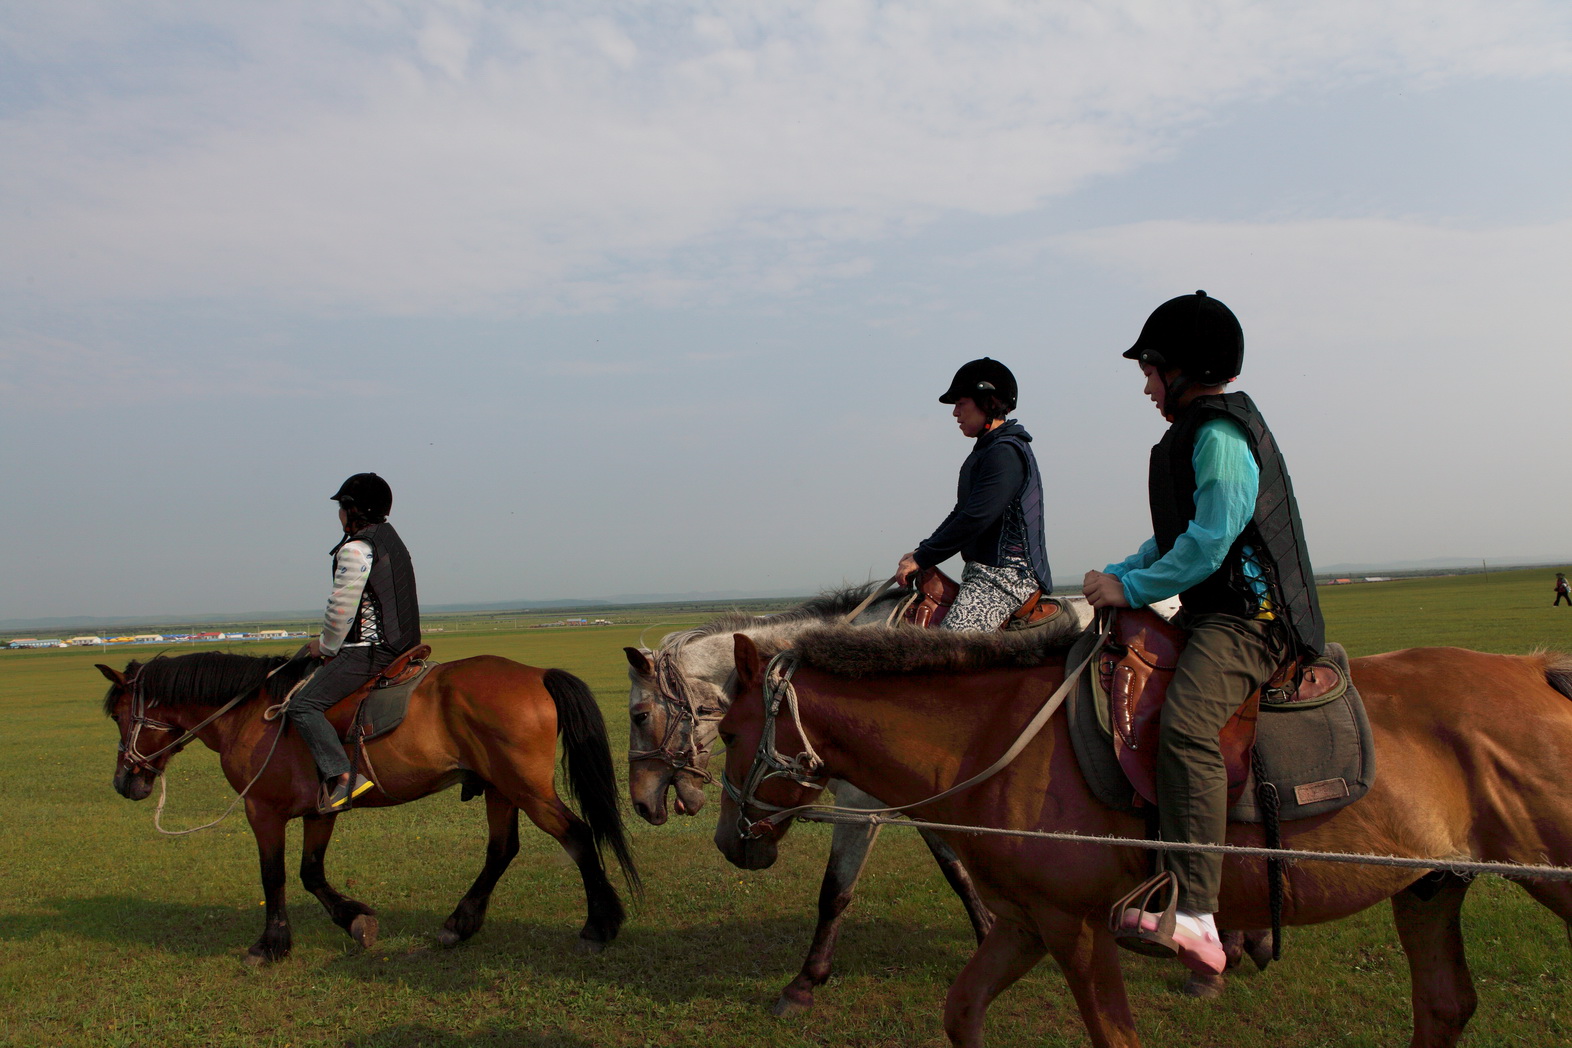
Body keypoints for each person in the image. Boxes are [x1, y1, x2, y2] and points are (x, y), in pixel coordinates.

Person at [1082, 291, 1324, 976]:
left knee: (1186, 726)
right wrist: (1118, 572)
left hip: (1254, 622)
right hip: (1213, 613)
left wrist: (1130, 588)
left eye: (1151, 374)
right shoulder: (1192, 434)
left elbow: (1212, 542)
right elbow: (1171, 540)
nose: (1148, 388)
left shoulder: (1219, 436)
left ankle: (1197, 910)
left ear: (1183, 371)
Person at [289, 473, 421, 814]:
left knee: (302, 706)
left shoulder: (357, 549)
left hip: (371, 650)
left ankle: (345, 777)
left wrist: (325, 646)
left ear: (352, 509)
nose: (340, 515)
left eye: (342, 507)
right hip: (405, 644)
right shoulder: (392, 541)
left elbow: (341, 609)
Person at [895, 358, 1053, 632]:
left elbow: (975, 518)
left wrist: (923, 558)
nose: (955, 413)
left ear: (988, 401)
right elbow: (961, 512)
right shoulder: (987, 450)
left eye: (961, 403)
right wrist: (923, 550)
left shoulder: (1005, 453)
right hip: (982, 573)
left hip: (1006, 578)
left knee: (943, 652)